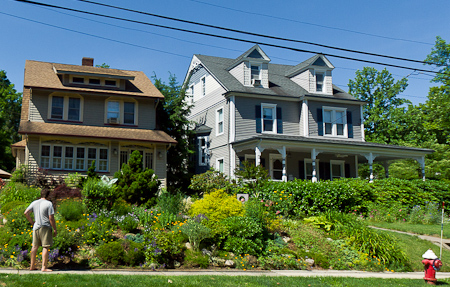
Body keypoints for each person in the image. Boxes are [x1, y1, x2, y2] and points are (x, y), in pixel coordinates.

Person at [24, 188, 57, 272]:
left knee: (34, 246)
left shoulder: (34, 202)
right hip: (45, 227)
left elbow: (26, 213)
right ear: (48, 195)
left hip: (36, 227)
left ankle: (32, 266)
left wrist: (32, 222)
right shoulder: (48, 203)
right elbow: (51, 218)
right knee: (45, 246)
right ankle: (44, 267)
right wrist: (55, 229)